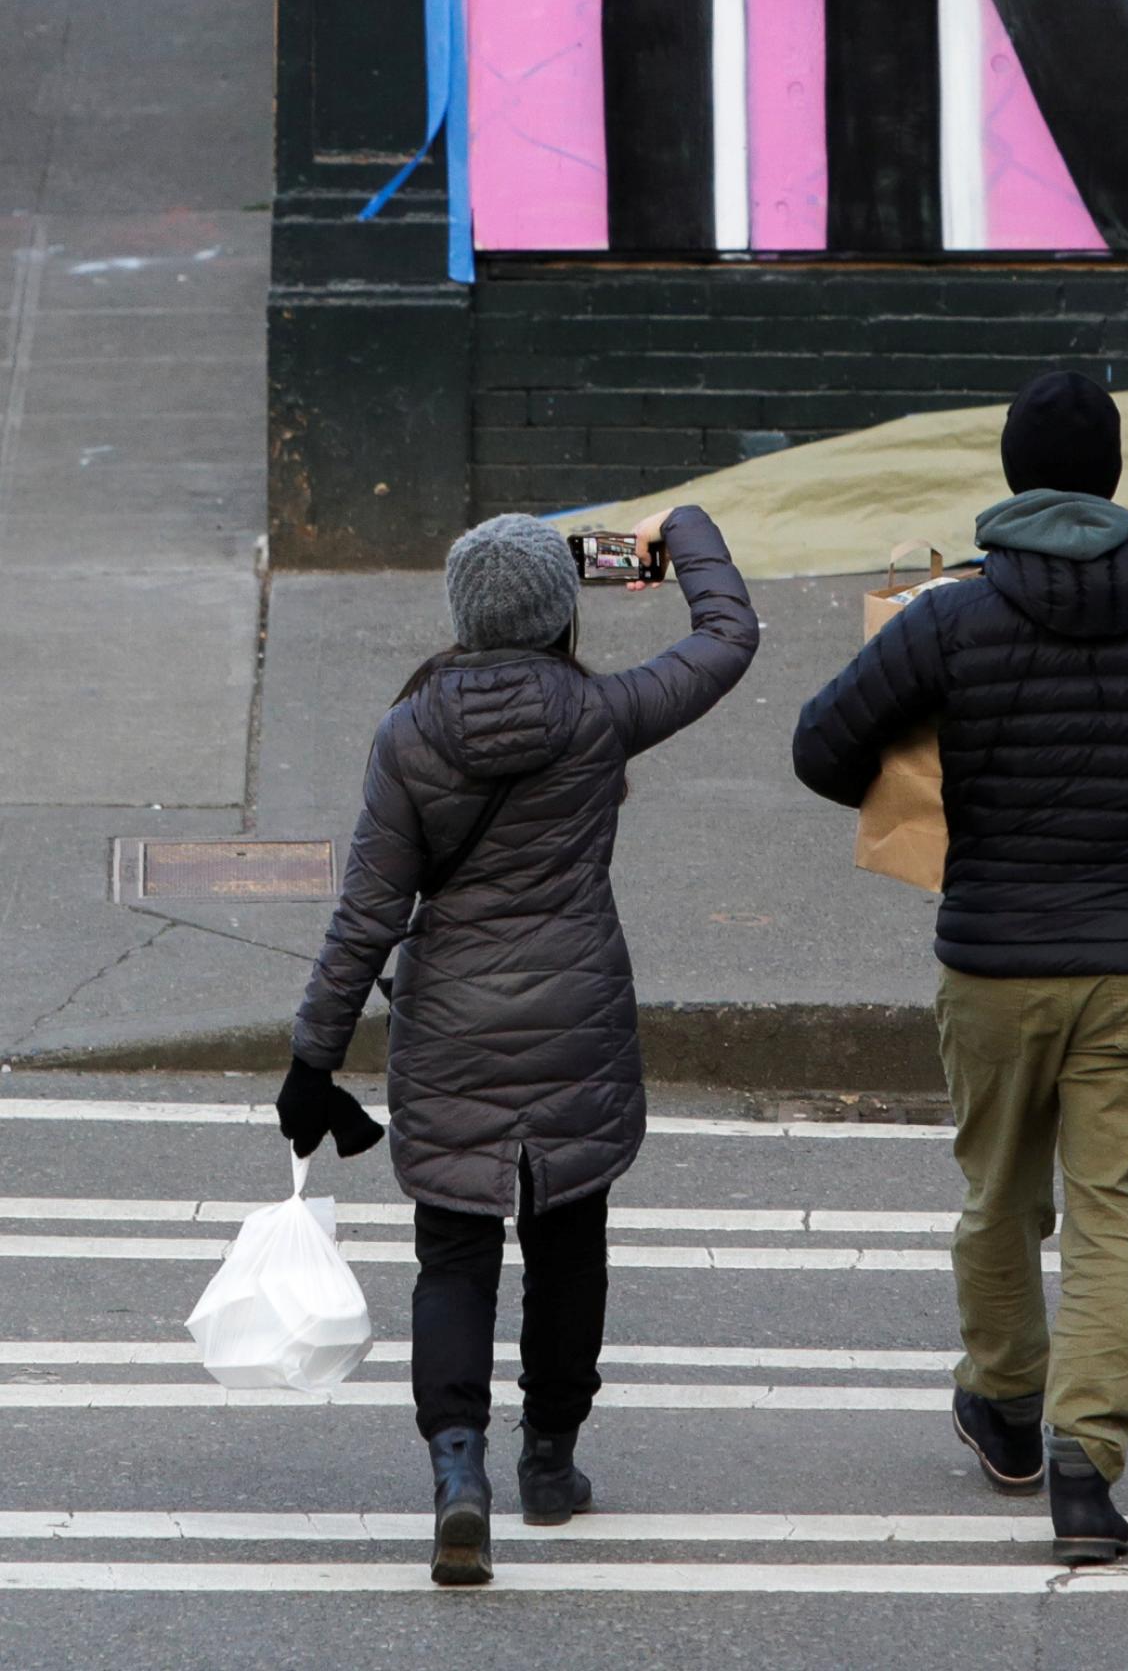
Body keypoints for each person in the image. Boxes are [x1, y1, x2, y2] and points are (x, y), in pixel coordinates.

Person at [791, 370, 1128, 1564]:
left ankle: (1006, 1410)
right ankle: (1086, 1466)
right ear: (1117, 478)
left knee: (998, 1200)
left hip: (988, 962)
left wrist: (938, 799)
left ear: (1016, 475)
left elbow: (821, 747)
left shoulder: (948, 619)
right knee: (1113, 1218)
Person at [278, 504, 757, 1587]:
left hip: (448, 1027)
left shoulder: (408, 733)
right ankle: (549, 1461)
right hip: (576, 1022)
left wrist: (312, 1062)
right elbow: (728, 639)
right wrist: (686, 529)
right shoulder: (599, 712)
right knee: (568, 1237)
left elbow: (364, 914)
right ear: (557, 611)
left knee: (453, 1255)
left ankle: (459, 1473)